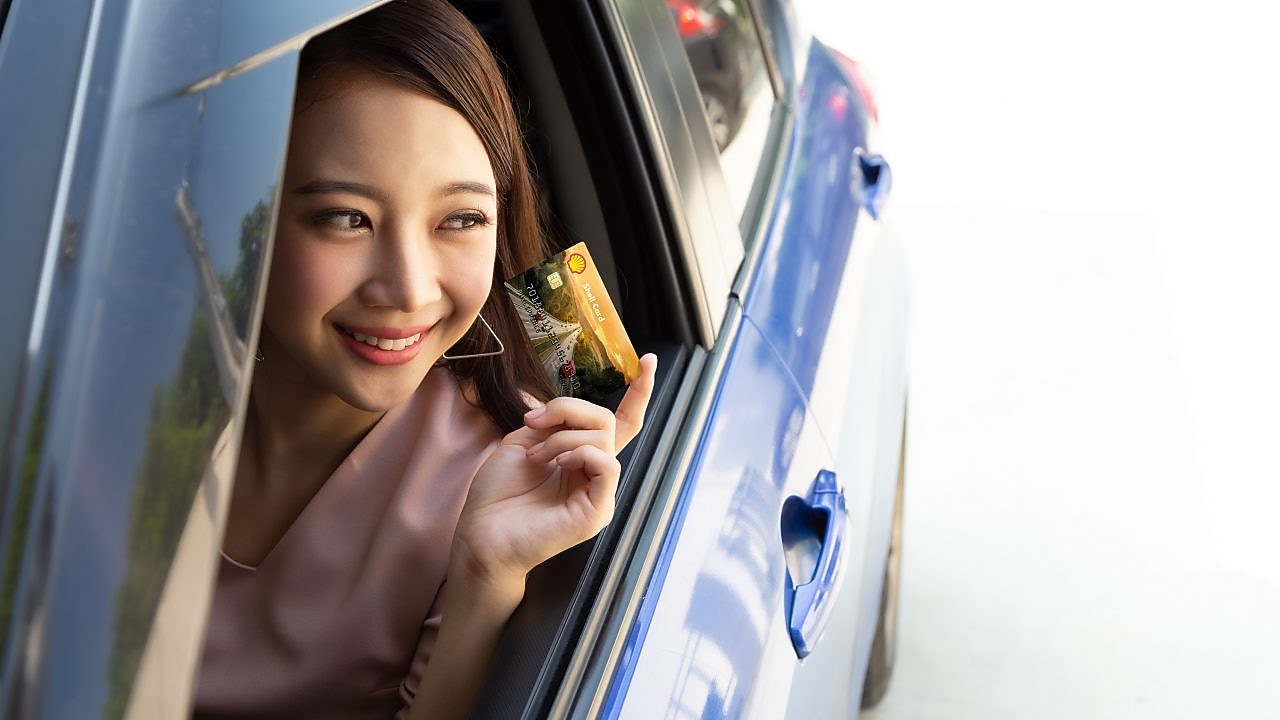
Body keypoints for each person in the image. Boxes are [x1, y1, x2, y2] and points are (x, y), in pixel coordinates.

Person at [191, 1, 657, 718]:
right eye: (346, 217)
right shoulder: (108, 379)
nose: (408, 288)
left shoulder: (511, 472)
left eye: (461, 219)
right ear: (242, 213)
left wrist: (484, 575)